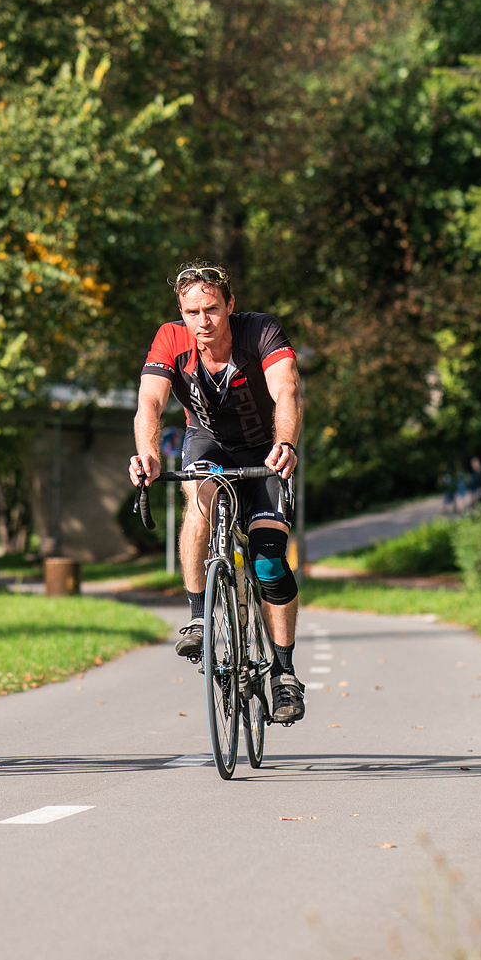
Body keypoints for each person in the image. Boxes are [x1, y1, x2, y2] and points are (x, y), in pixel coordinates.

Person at [128, 261, 307, 724]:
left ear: (230, 304)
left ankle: (283, 674)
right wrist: (147, 453)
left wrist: (285, 443)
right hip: (206, 441)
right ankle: (198, 614)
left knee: (269, 561)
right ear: (180, 313)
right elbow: (149, 401)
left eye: (211, 309)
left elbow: (287, 391)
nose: (202, 321)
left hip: (264, 446)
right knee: (199, 506)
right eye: (191, 312)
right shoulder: (171, 339)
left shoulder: (260, 331)